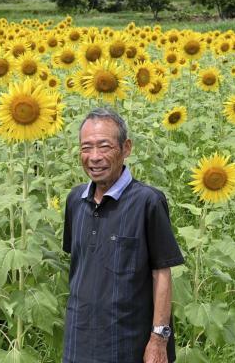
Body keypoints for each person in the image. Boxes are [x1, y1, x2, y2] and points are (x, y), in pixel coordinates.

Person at [62, 108, 185, 363]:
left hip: (130, 345)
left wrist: (158, 340)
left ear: (126, 148)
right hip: (79, 343)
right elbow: (81, 269)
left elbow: (161, 273)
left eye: (104, 146)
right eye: (86, 148)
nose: (94, 157)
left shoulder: (147, 202)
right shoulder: (75, 201)